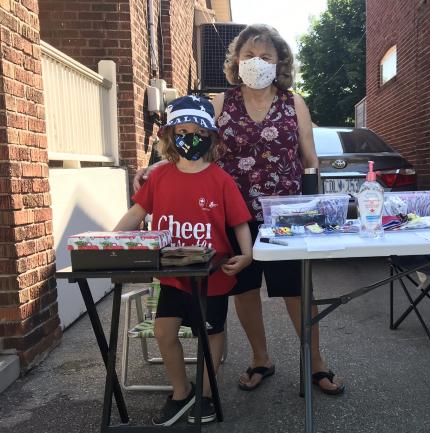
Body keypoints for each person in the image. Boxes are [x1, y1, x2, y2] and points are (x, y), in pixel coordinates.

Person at [134, 24, 344, 395]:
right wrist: (154, 167)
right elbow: (188, 137)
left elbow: (310, 159)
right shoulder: (219, 103)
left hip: (285, 218)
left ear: (279, 62)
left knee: (297, 292)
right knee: (244, 291)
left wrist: (316, 210)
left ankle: (316, 363)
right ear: (236, 61)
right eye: (249, 55)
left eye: (266, 56)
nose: (256, 62)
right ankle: (261, 359)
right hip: (231, 215)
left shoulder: (293, 103)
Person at [115, 95, 253, 426]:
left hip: (213, 278)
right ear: (169, 135)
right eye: (182, 129)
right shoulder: (159, 178)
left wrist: (246, 254)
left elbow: (239, 222)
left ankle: (205, 394)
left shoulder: (220, 179)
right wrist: (109, 241)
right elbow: (136, 212)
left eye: (198, 131)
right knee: (165, 332)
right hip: (171, 276)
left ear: (210, 137)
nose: (190, 136)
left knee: (212, 333)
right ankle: (180, 390)